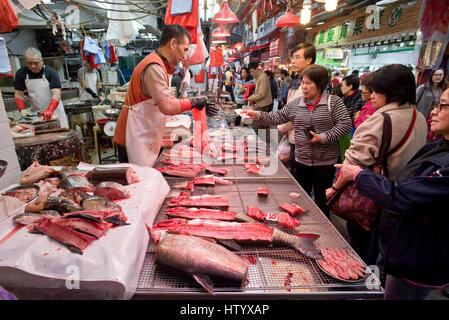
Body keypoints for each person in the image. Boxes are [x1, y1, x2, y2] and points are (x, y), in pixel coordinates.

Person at [329, 87, 449, 300]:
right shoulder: (438, 144)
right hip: (399, 240)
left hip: (418, 258)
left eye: (443, 106)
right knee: (381, 280)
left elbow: (404, 195)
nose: (434, 111)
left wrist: (357, 175)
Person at [327, 64, 428, 265]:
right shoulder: (420, 117)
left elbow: (352, 166)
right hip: (400, 198)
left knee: (361, 248)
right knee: (382, 250)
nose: (371, 95)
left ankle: (359, 288)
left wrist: (334, 189)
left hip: (371, 197)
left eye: (376, 90)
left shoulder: (380, 121)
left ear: (392, 91)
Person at [242, 65, 352, 218]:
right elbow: (277, 117)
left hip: (325, 162)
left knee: (322, 200)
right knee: (298, 198)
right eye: (303, 83)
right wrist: (257, 114)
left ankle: (322, 227)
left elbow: (345, 124)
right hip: (300, 159)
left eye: (309, 83)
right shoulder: (296, 104)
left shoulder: (333, 102)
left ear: (320, 84)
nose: (304, 87)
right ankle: (300, 227)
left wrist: (324, 137)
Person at [113, 24, 218, 167]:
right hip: (132, 133)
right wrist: (194, 101)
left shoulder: (161, 65)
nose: (185, 56)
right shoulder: (154, 66)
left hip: (142, 130)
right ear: (173, 43)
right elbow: (167, 106)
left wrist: (195, 102)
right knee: (137, 181)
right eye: (185, 49)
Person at [277, 43, 316, 177]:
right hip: (295, 137)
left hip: (305, 141)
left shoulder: (311, 82)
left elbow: (300, 115)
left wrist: (281, 127)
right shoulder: (298, 80)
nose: (293, 61)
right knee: (295, 173)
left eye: (297, 57)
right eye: (292, 57)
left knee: (302, 179)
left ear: (309, 59)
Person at [14, 47, 69, 128]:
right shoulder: (21, 73)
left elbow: (56, 93)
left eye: (36, 63)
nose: (33, 66)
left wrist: (50, 110)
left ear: (42, 60)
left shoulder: (51, 72)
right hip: (36, 114)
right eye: (29, 63)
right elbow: (19, 94)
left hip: (55, 112)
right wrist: (22, 109)